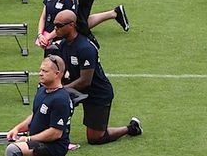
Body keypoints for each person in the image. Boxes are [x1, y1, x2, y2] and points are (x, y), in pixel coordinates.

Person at [50, 11, 141, 145]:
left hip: (97, 93)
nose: (55, 29)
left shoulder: (85, 48)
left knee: (95, 138)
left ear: (71, 25)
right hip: (79, 89)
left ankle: (131, 128)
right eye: (54, 25)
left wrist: (59, 89)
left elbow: (85, 81)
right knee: (53, 99)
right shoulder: (63, 45)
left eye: (59, 25)